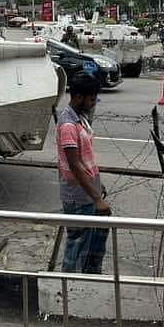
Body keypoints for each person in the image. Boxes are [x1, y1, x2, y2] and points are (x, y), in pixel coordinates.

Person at [57, 71, 110, 273]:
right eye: (91, 99)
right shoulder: (68, 125)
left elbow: (85, 160)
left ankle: (90, 279)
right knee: (78, 246)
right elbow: (74, 165)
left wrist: (97, 185)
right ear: (78, 97)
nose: (94, 103)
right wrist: (96, 197)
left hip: (87, 192)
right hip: (79, 198)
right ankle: (70, 284)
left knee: (93, 243)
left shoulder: (79, 119)